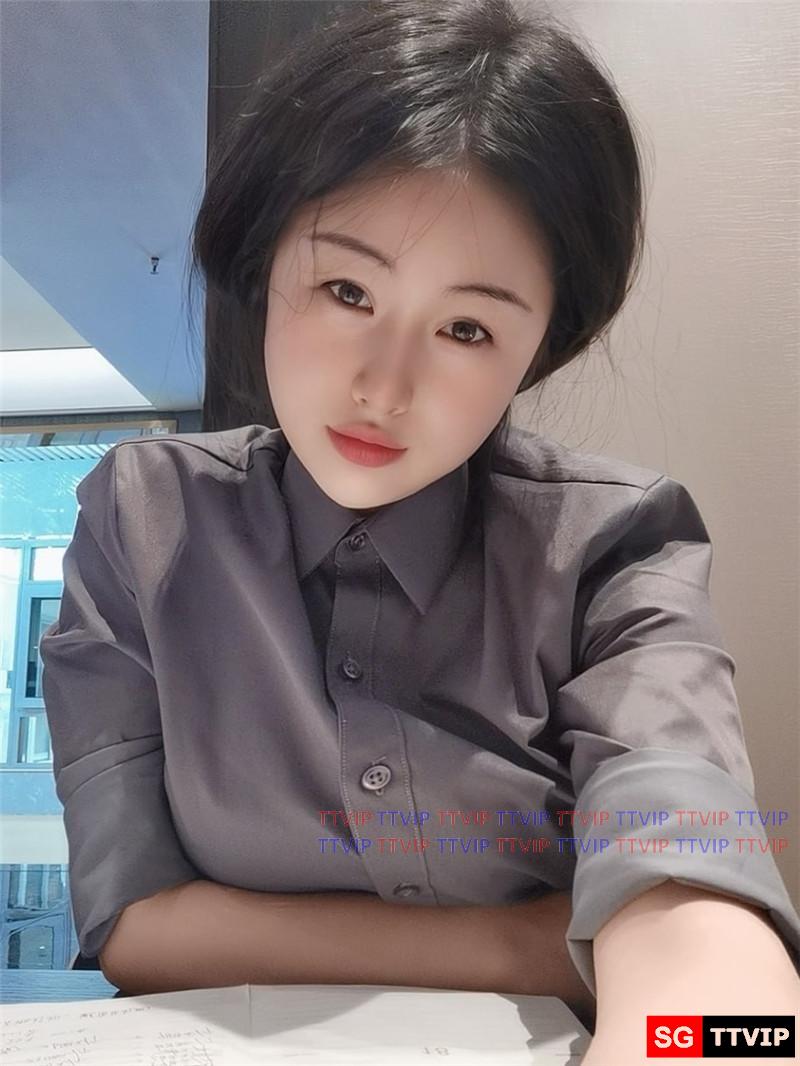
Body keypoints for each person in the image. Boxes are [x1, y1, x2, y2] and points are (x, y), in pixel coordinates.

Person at [40, 0, 800, 1059]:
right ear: (265, 262)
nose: (385, 387)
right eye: (347, 290)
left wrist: (716, 1029)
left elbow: (689, 890)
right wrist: (537, 943)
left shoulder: (614, 543)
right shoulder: (143, 519)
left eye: (466, 328)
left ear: (539, 344)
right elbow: (135, 925)